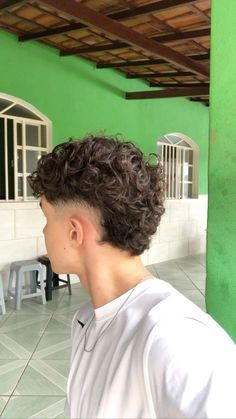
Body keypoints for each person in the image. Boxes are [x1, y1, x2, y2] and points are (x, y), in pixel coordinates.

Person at [28, 134, 236, 419]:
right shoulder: (86, 320)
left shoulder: (178, 340)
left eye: (47, 219)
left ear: (74, 232)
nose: (44, 233)